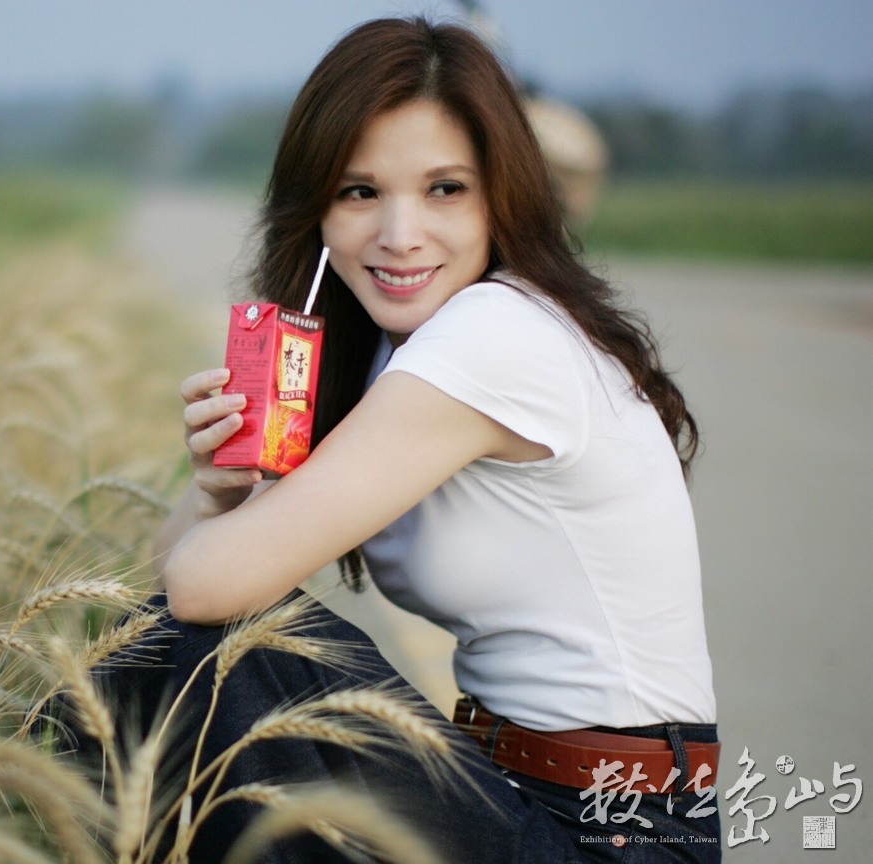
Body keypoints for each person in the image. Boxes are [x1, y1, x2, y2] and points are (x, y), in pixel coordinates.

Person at [87, 17, 720, 863]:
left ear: (503, 195)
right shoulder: (388, 351)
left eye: (445, 190)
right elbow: (165, 596)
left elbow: (203, 593)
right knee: (158, 657)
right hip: (509, 793)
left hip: (616, 835)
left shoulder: (496, 332)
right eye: (359, 193)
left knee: (232, 657)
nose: (400, 234)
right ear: (315, 210)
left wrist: (222, 530)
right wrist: (217, 488)